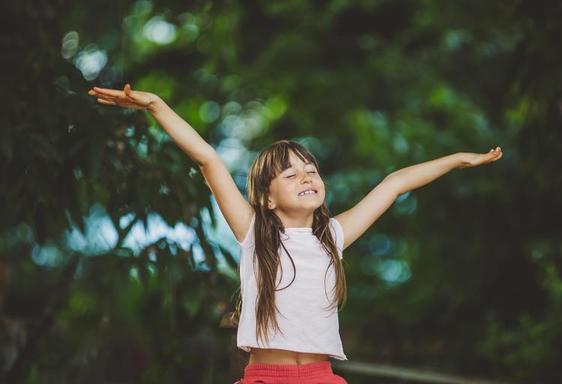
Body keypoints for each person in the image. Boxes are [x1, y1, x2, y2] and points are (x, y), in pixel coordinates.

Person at [88, 84, 503, 383]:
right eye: (290, 174)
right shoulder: (254, 233)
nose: (306, 176)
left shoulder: (333, 237)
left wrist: (455, 160)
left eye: (311, 170)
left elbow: (394, 184)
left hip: (322, 378)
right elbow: (208, 160)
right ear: (267, 199)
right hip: (267, 377)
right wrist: (157, 105)